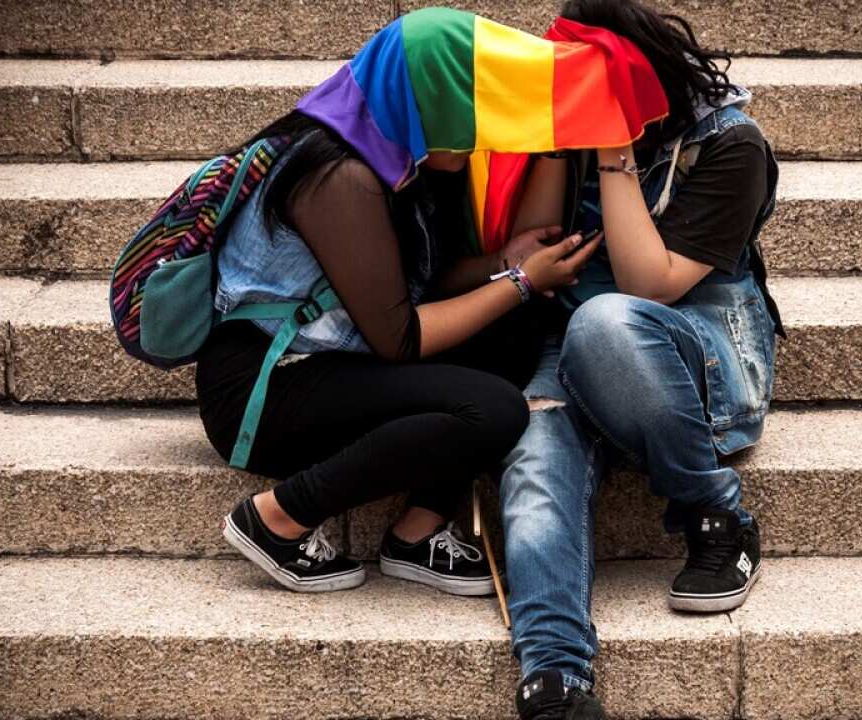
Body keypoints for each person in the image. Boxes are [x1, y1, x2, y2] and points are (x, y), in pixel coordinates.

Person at [194, 7, 671, 598]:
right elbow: (401, 337)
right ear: (427, 102)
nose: (479, 132)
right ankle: (277, 518)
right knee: (495, 410)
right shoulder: (337, 175)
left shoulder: (386, 151)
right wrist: (520, 281)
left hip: (334, 357)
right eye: (468, 109)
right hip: (264, 390)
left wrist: (506, 263)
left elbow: (422, 280)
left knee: (515, 330)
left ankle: (415, 537)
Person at [498, 1, 786, 717]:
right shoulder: (574, 135)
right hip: (576, 348)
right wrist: (554, 134)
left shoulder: (731, 144)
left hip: (701, 351)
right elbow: (535, 243)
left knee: (604, 321)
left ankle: (717, 517)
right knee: (534, 462)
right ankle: (556, 679)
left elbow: (647, 285)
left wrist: (615, 150)